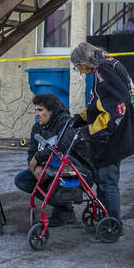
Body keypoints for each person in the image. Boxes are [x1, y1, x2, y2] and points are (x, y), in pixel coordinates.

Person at [69, 42, 134, 224]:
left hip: (112, 135)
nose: (80, 71)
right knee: (104, 179)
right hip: (116, 131)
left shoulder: (104, 72)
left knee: (107, 180)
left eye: (77, 68)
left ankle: (112, 223)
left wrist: (89, 129)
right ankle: (104, 217)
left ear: (83, 63)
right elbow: (100, 103)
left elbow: (114, 108)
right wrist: (81, 117)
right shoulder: (106, 65)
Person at [14, 93, 81, 226]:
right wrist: (35, 168)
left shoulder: (65, 122)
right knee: (22, 180)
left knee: (56, 175)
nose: (37, 114)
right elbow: (31, 153)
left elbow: (62, 147)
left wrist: (38, 158)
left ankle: (64, 208)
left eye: (40, 110)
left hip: (71, 171)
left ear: (51, 111)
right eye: (36, 110)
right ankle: (64, 210)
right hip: (49, 170)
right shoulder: (37, 128)